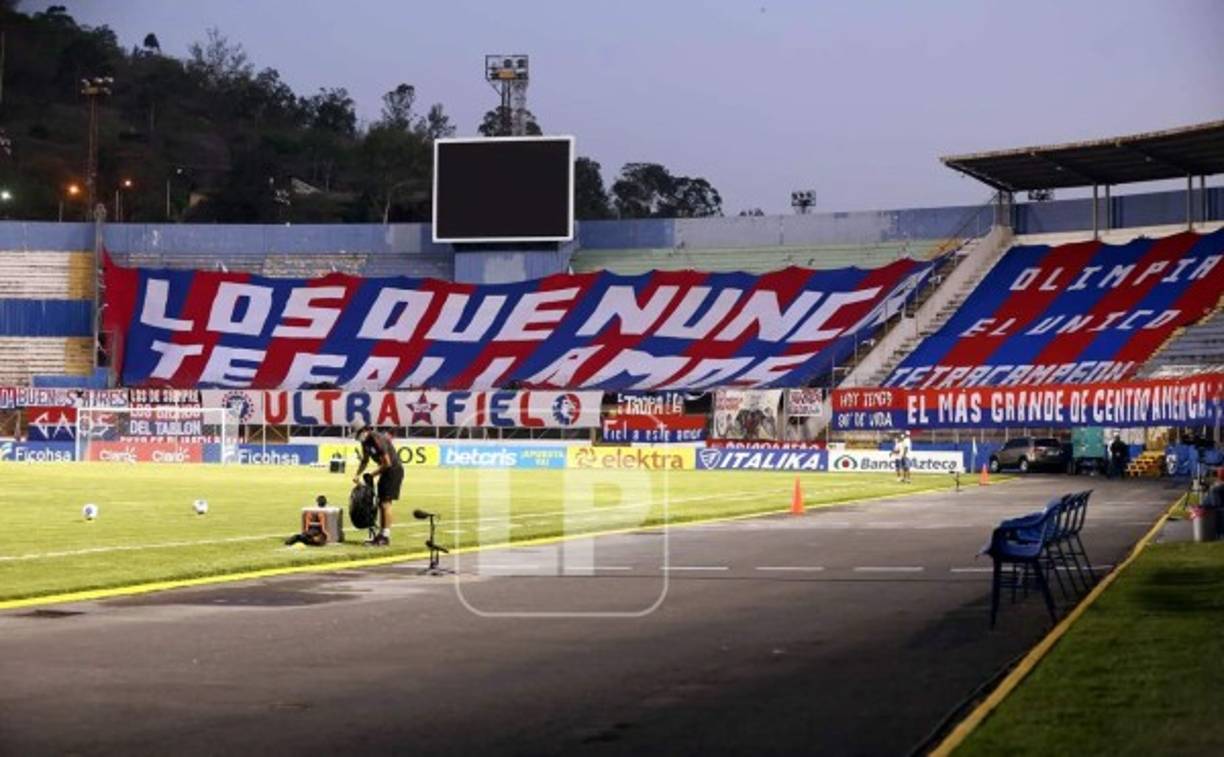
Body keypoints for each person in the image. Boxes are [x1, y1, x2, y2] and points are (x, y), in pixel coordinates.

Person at [352, 420, 403, 547]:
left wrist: (372, 475)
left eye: (357, 434)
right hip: (385, 471)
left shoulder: (376, 438)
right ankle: (381, 535)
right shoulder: (365, 442)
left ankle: (385, 537)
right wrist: (357, 474)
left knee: (385, 503)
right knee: (381, 503)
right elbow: (364, 460)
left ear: (364, 430)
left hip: (393, 471)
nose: (357, 438)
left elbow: (387, 463)